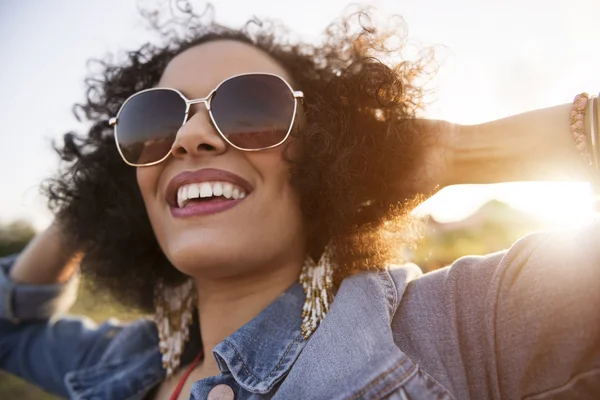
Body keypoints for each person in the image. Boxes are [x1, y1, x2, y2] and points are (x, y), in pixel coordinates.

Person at [1, 5, 599, 400]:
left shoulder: (460, 324)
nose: (188, 137)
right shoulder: (122, 365)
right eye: (156, 121)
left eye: (251, 109)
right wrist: (99, 191)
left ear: (324, 154)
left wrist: (455, 152)